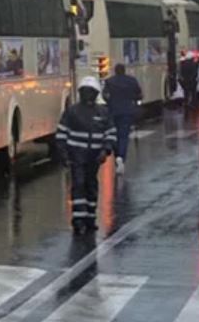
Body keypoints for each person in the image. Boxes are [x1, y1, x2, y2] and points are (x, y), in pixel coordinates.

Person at [56, 76, 116, 235]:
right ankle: (78, 219)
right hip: (77, 156)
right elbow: (62, 134)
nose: (88, 95)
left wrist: (105, 150)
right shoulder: (72, 112)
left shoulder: (103, 112)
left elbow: (110, 133)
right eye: (85, 92)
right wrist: (63, 153)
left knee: (91, 186)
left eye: (91, 92)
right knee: (79, 184)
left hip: (94, 158)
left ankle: (90, 218)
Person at [103, 63, 142, 175]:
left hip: (113, 111)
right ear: (124, 71)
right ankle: (121, 157)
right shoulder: (132, 81)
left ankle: (117, 156)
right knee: (123, 135)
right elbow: (139, 94)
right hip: (127, 111)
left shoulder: (109, 81)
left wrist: (109, 102)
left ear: (115, 71)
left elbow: (105, 95)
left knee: (114, 135)